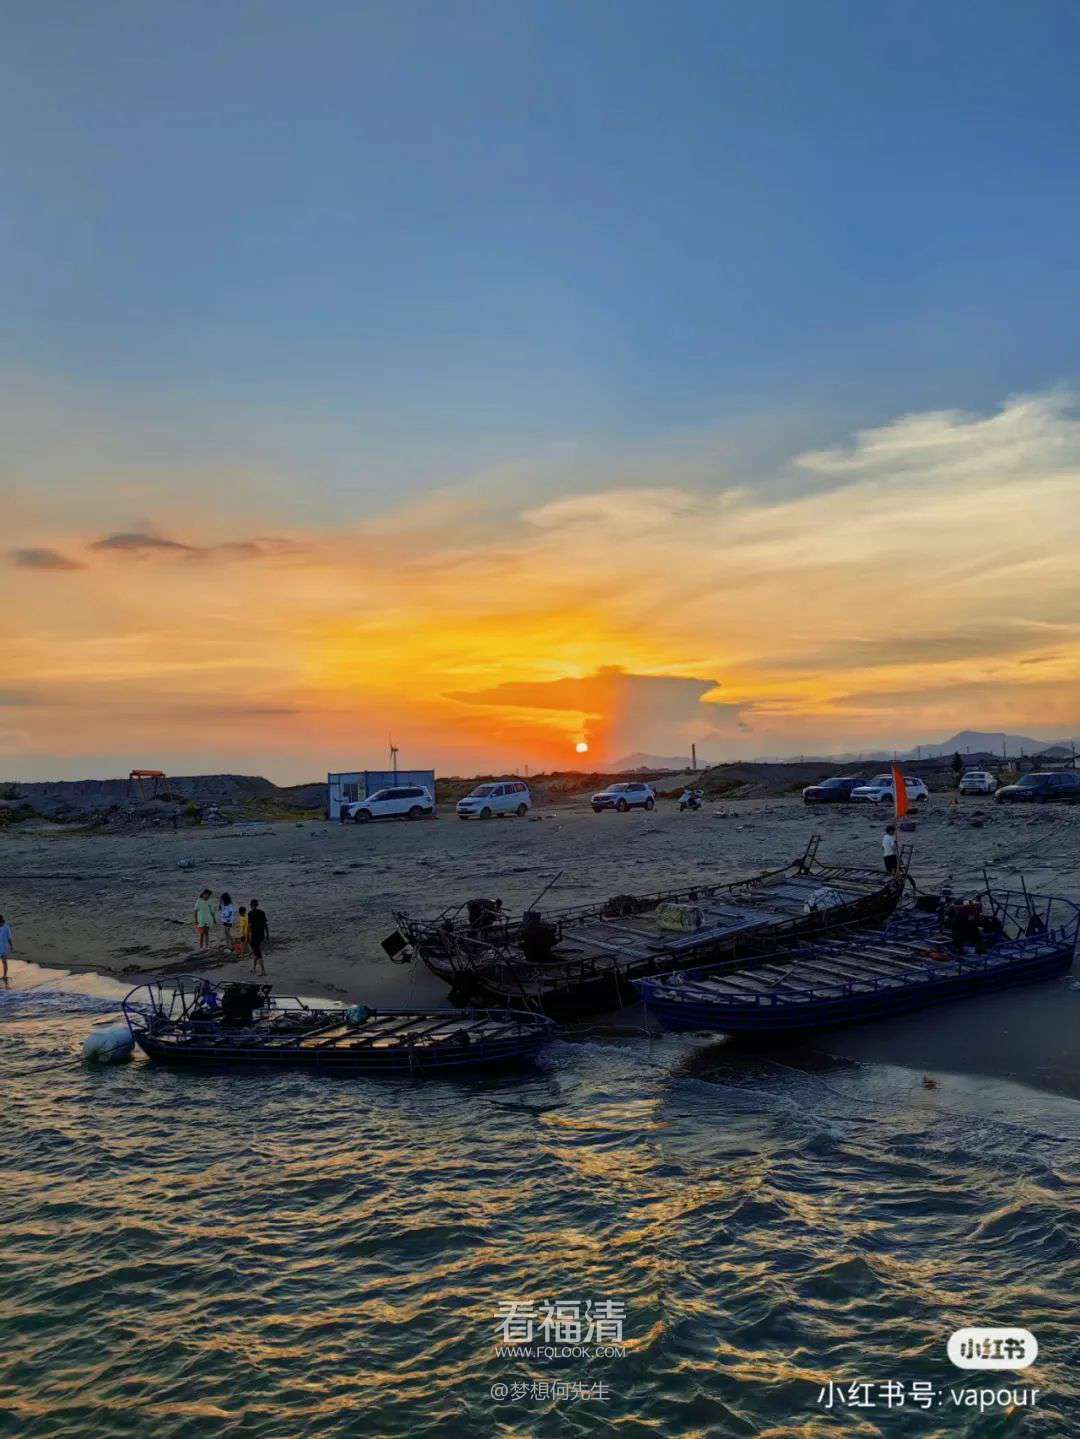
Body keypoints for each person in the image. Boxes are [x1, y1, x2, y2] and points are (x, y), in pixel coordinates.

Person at [247, 898, 269, 976]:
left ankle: (263, 970)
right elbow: (265, 924)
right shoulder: (262, 912)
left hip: (254, 936)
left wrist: (247, 936)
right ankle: (254, 968)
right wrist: (267, 935)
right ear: (257, 905)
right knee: (256, 951)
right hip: (261, 935)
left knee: (257, 952)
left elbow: (249, 926)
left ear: (251, 905)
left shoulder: (250, 913)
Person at [0, 914, 13, 982]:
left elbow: (9, 937)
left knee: (4, 961)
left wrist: (11, 945)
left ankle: (4, 975)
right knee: (4, 961)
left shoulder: (6, 927)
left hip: (4, 947)